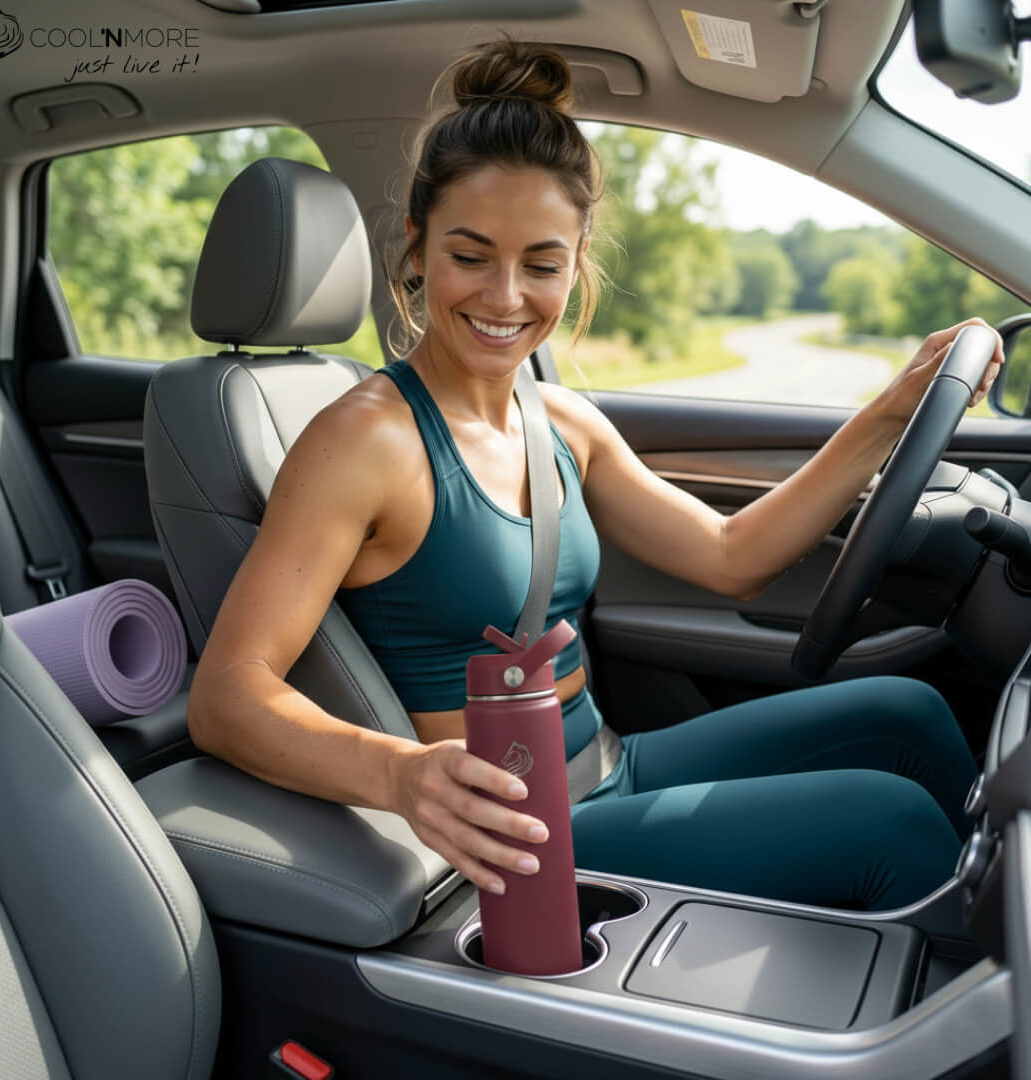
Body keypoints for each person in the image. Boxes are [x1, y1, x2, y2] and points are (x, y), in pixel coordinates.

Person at [187, 38, 1004, 911]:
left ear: (576, 267)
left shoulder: (560, 422)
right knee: (886, 821)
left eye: (541, 264)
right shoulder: (363, 442)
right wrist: (402, 777)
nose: (505, 297)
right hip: (514, 836)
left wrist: (889, 413)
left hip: (608, 766)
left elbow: (730, 555)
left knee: (906, 713)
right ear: (418, 249)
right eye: (470, 256)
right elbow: (228, 697)